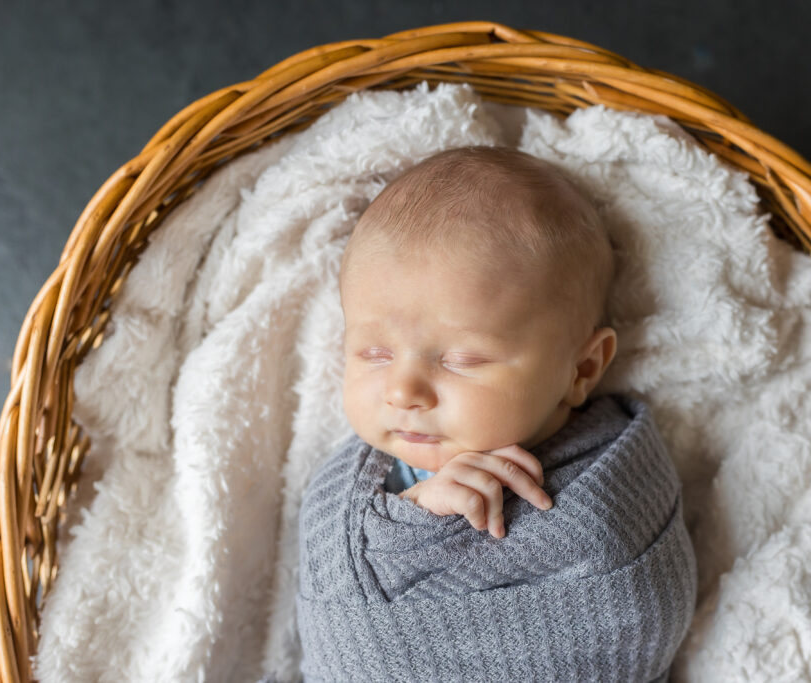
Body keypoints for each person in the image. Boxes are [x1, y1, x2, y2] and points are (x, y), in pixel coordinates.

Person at [295, 145, 697, 682]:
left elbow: (637, 601)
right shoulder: (374, 473)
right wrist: (413, 512)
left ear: (580, 369)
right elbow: (341, 579)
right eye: (374, 353)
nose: (403, 389)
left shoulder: (607, 493)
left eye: (460, 360)